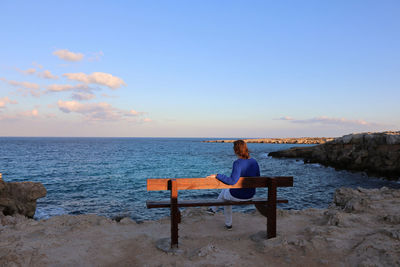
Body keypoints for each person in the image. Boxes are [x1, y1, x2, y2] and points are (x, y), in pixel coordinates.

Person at [207, 140, 260, 230]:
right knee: (225, 194)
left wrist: (217, 175)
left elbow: (232, 181)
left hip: (240, 196)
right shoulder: (254, 162)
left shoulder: (237, 163)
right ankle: (224, 221)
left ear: (236, 150)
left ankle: (215, 211)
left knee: (225, 193)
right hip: (250, 195)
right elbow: (258, 177)